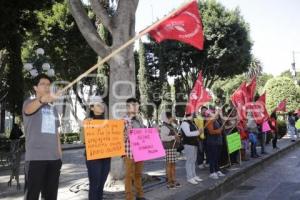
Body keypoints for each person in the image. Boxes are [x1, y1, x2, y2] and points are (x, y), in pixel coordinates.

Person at [23, 74, 62, 200]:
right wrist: (42, 100)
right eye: (42, 84)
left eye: (48, 84)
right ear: (35, 87)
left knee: (51, 196)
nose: (46, 87)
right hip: (35, 159)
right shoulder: (28, 103)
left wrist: (59, 155)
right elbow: (29, 110)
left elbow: (56, 133)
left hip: (54, 159)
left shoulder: (53, 109)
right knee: (32, 195)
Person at [81, 96, 110, 200]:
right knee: (95, 184)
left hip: (106, 157)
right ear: (92, 108)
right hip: (93, 158)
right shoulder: (87, 121)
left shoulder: (109, 122)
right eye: (98, 104)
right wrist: (85, 126)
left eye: (102, 104)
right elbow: (83, 140)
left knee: (101, 184)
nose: (101, 106)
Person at [123, 98, 147, 200]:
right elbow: (120, 139)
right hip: (129, 153)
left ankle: (140, 195)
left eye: (137, 105)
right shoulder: (123, 120)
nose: (137, 107)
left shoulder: (140, 119)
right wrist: (126, 133)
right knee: (129, 176)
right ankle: (129, 197)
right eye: (134, 105)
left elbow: (144, 135)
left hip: (140, 152)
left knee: (138, 174)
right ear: (128, 107)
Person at [160, 111, 181, 189]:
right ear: (167, 118)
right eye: (171, 116)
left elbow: (174, 134)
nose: (172, 117)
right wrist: (173, 137)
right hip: (168, 148)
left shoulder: (170, 125)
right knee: (169, 165)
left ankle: (173, 180)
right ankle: (169, 181)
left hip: (173, 147)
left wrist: (176, 136)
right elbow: (163, 138)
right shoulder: (164, 127)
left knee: (173, 165)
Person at [181, 113, 202, 184]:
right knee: (189, 161)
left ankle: (193, 175)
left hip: (194, 143)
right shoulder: (184, 123)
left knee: (193, 160)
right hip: (188, 144)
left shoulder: (192, 123)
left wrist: (198, 131)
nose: (194, 116)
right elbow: (188, 133)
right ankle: (189, 177)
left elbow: (194, 132)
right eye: (193, 115)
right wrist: (198, 132)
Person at [206, 109, 225, 179]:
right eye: (213, 113)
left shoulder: (216, 121)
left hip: (218, 142)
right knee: (212, 157)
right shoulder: (209, 121)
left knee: (217, 157)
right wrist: (219, 131)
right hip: (212, 142)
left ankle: (217, 170)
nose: (215, 114)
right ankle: (212, 172)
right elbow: (211, 132)